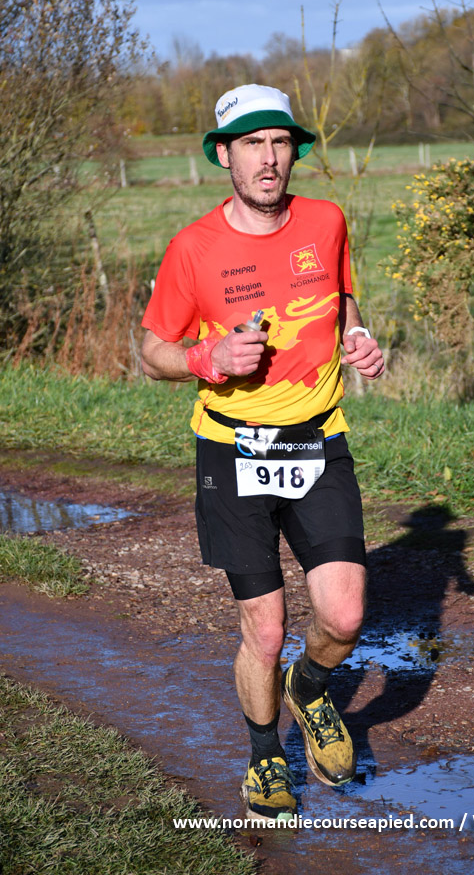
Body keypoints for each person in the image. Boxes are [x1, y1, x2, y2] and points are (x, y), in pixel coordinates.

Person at [140, 84, 385, 822]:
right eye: (251, 144)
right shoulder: (193, 248)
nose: (268, 158)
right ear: (225, 155)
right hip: (232, 449)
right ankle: (264, 758)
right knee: (266, 628)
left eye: (279, 142)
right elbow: (152, 351)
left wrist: (357, 336)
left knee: (344, 617)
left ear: (293, 151)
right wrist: (207, 357)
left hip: (317, 438)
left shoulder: (326, 221)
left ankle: (309, 689)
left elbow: (342, 299)